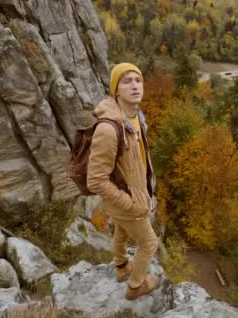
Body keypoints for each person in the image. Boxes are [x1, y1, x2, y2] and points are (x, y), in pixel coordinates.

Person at [87, 63, 160, 300]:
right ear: (116, 90)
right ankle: (135, 286)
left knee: (121, 230)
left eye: (138, 80)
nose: (135, 85)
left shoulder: (135, 116)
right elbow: (96, 180)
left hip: (125, 199)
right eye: (126, 81)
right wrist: (129, 203)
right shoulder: (109, 128)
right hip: (127, 200)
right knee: (149, 244)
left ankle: (121, 267)